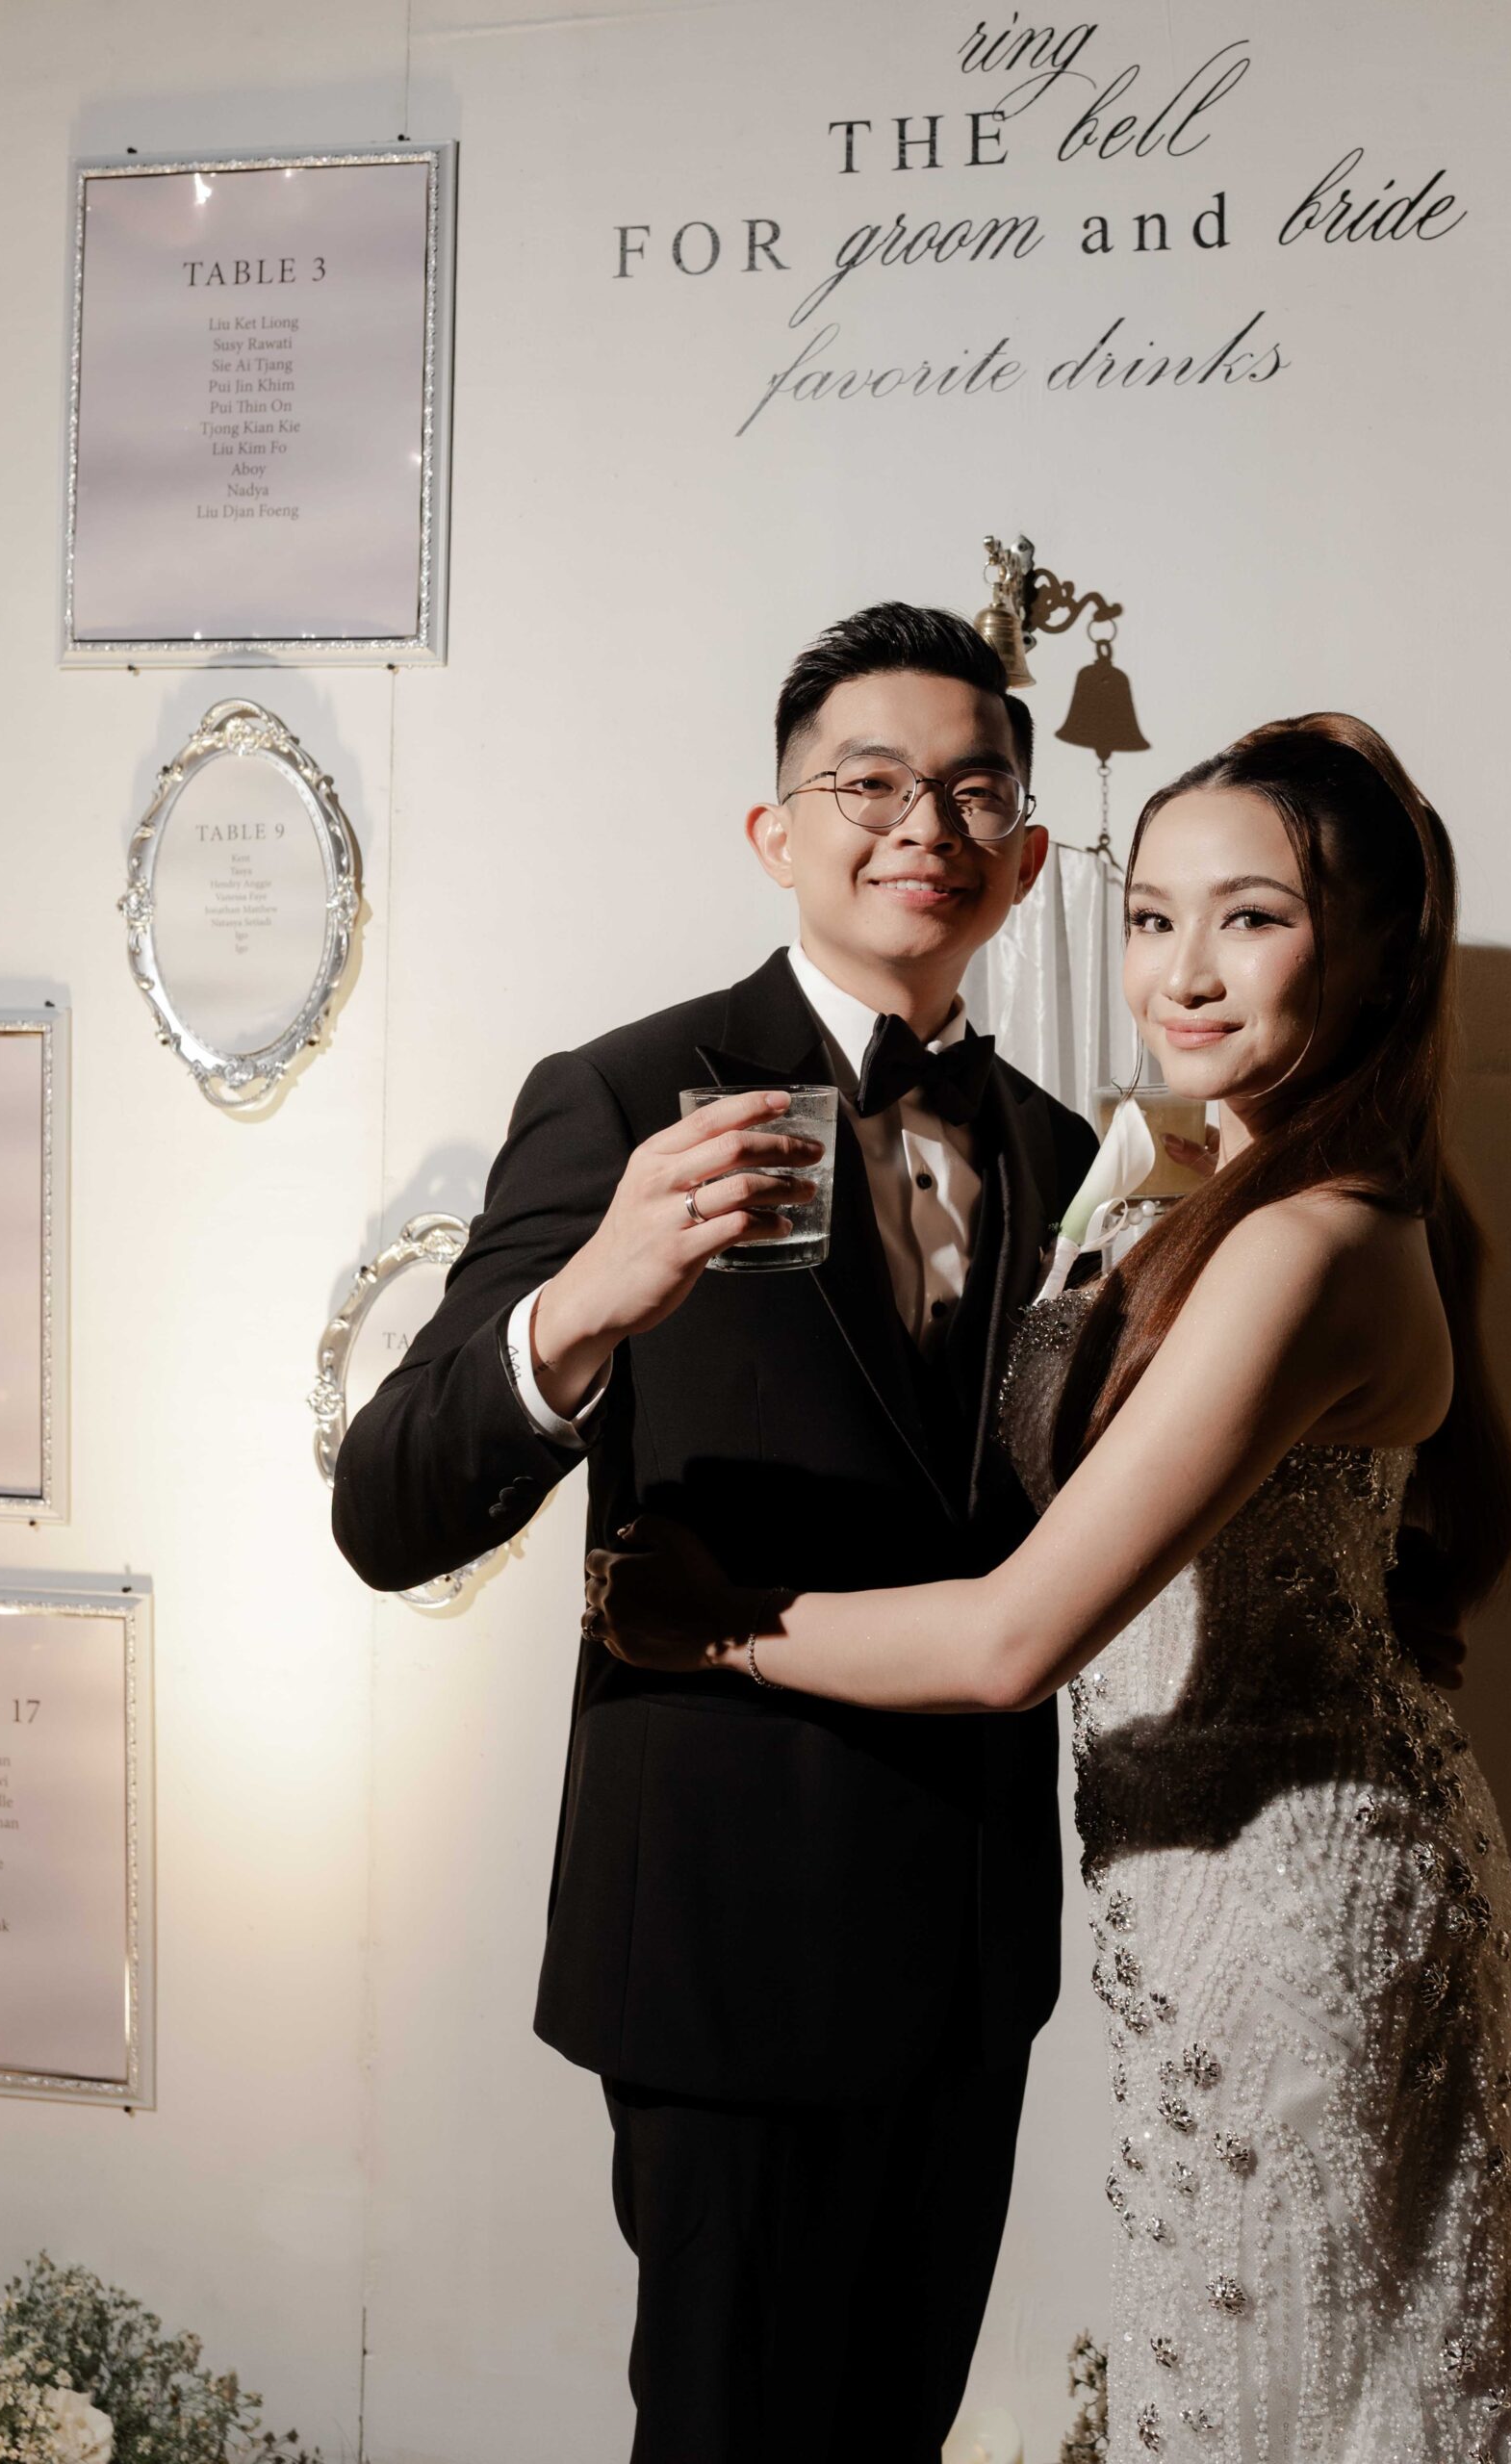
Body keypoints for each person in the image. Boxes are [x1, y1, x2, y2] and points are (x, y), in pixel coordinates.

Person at [586, 715, 1511, 2462]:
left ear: (1376, 954)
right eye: (1152, 918)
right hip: (1191, 1894)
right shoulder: (1214, 1188)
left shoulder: (1306, 1243)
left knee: (1321, 2395)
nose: (1183, 972)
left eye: (1254, 919)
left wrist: (711, 1627)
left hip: (1297, 1907)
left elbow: (1017, 1639)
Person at [330, 603, 1102, 2462]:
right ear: (776, 833)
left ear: (1024, 858)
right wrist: (586, 1304)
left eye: (973, 792)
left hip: (972, 1948)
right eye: (871, 784)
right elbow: (388, 1505)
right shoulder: (620, 1094)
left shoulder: (1066, 1156)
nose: (924, 825)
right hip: (727, 1938)